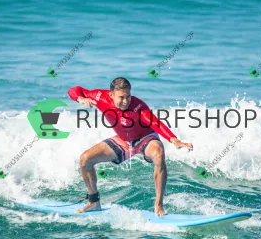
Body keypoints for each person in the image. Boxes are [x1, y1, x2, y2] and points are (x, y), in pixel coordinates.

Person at [68, 77, 193, 216]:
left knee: (159, 154)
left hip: (145, 138)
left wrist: (174, 140)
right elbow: (74, 90)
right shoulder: (99, 96)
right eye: (121, 97)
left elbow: (154, 122)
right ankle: (94, 202)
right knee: (85, 159)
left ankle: (158, 206)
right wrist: (80, 98)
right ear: (111, 94)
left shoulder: (138, 106)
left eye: (128, 96)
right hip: (124, 141)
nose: (126, 101)